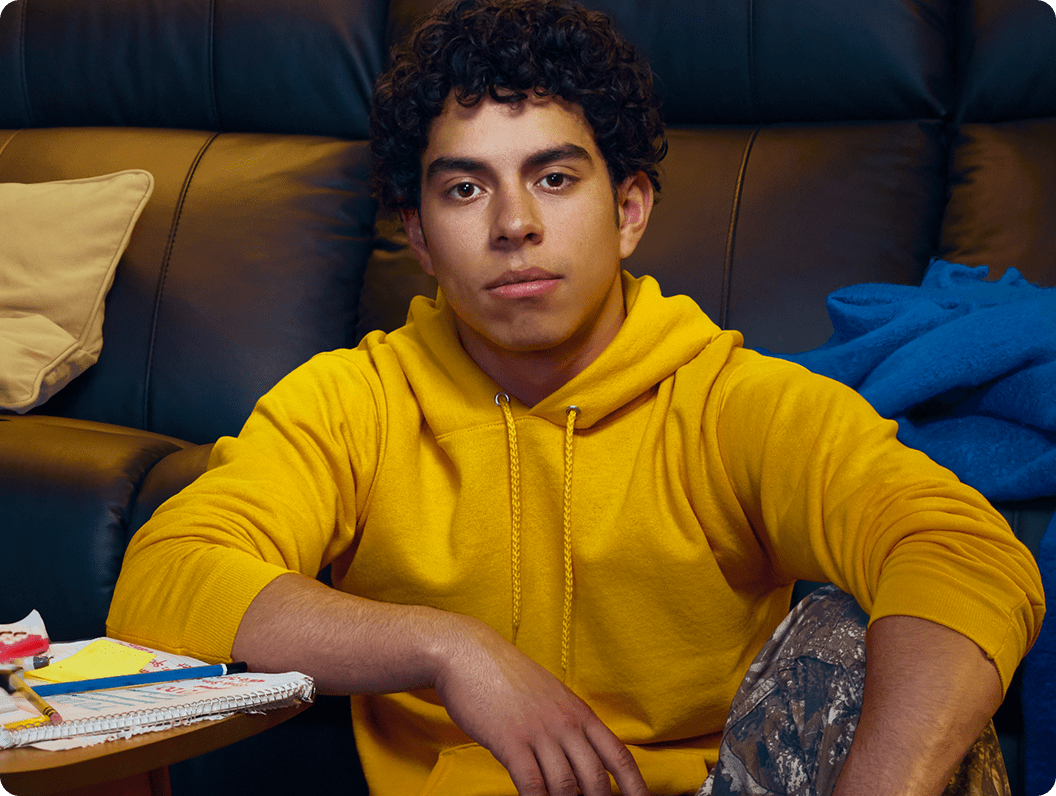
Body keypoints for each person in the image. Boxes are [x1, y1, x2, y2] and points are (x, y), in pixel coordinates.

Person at [107, 1, 1044, 794]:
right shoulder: (354, 402)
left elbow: (960, 550)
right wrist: (449, 651)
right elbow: (170, 572)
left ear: (628, 210)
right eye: (466, 188)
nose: (516, 225)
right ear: (421, 239)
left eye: (554, 179)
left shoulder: (731, 401)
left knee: (857, 634)